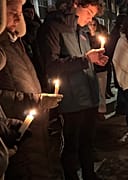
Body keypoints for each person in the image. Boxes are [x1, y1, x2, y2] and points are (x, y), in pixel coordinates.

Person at [38, 0, 108, 179]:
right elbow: (51, 66)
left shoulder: (81, 31)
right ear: (77, 3)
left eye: (93, 15)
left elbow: (84, 61)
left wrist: (95, 61)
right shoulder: (54, 27)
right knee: (71, 146)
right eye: (89, 12)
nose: (90, 18)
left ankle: (89, 174)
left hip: (89, 97)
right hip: (71, 99)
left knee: (88, 143)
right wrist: (86, 60)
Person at [0, 0, 63, 179]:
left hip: (31, 129)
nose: (18, 16)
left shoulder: (16, 42)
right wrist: (36, 100)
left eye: (20, 11)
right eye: (12, 11)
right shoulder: (2, 46)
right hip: (14, 133)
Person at [106, 14, 127, 116]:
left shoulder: (117, 33)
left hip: (121, 61)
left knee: (122, 85)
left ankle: (121, 106)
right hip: (119, 61)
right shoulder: (116, 34)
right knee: (121, 84)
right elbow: (112, 48)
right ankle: (121, 107)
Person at [88, 18, 108, 114]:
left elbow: (105, 50)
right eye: (90, 24)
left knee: (101, 90)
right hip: (89, 68)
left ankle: (101, 110)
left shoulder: (99, 37)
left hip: (100, 69)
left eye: (94, 24)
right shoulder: (84, 37)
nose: (92, 26)